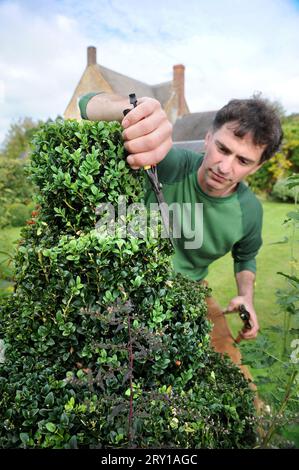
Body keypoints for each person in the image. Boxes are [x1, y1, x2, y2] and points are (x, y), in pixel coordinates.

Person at [78, 92, 283, 386]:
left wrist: (247, 297)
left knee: (235, 378)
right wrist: (131, 110)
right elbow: (85, 104)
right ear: (208, 138)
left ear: (257, 167)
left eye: (242, 160)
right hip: (130, 284)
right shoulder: (169, 164)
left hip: (193, 290)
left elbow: (245, 256)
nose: (225, 167)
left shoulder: (249, 211)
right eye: (223, 149)